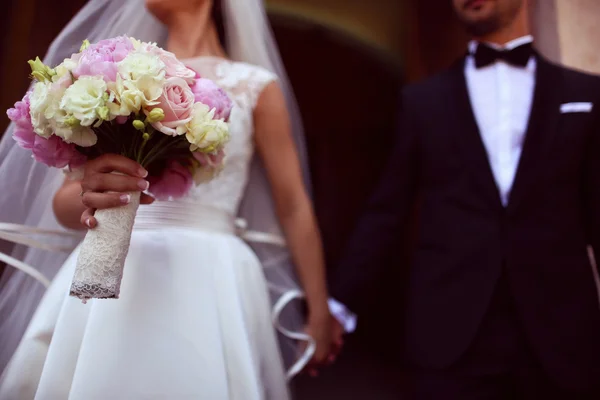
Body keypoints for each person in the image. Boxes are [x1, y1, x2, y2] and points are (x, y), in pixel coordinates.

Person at [0, 0, 346, 398]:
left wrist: (318, 309)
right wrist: (91, 190)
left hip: (212, 276)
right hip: (112, 266)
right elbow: (64, 204)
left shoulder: (256, 86)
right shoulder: (111, 79)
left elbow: (293, 204)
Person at [332, 0, 600, 398]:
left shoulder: (586, 94)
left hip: (561, 335)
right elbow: (386, 212)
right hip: (450, 337)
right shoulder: (422, 102)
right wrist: (338, 308)